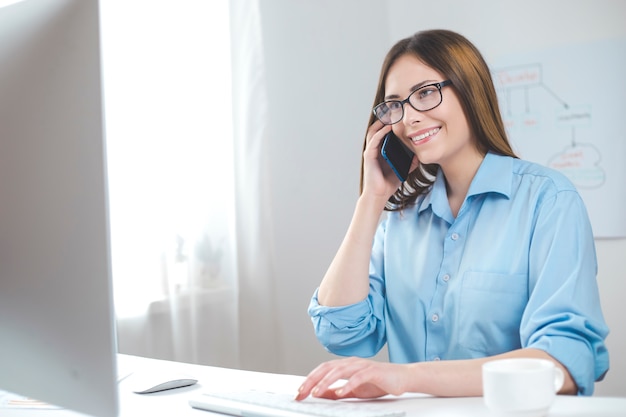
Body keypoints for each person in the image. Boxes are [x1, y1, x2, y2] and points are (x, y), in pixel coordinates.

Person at [295, 29, 609, 401]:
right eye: (395, 104)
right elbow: (342, 332)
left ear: (470, 90)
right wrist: (371, 201)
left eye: (426, 92)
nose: (409, 117)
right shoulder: (400, 221)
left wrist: (409, 378)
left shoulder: (549, 201)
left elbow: (564, 364)